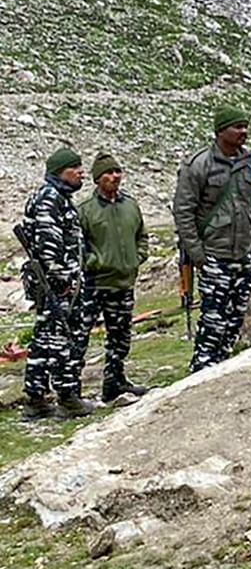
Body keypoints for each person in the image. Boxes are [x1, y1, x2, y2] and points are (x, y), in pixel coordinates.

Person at [173, 106, 251, 374]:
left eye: (245, 126)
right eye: (237, 127)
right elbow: (183, 211)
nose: (243, 132)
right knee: (213, 319)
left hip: (243, 255)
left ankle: (223, 367)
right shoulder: (198, 165)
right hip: (214, 255)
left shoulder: (248, 163)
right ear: (221, 131)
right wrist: (198, 254)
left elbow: (248, 206)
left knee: (235, 318)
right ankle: (202, 369)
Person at [19, 148, 90, 420]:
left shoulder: (58, 197)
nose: (81, 172)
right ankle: (67, 397)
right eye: (75, 168)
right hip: (57, 284)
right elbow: (49, 246)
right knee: (61, 337)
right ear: (60, 172)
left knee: (44, 336)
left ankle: (36, 398)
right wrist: (63, 279)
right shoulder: (50, 198)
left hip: (55, 282)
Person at [72, 153, 150, 403]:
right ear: (97, 179)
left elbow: (142, 235)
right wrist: (94, 263)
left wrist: (138, 256)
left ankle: (114, 382)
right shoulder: (85, 210)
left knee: (120, 336)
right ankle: (71, 390)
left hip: (124, 283)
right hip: (95, 285)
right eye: (109, 173)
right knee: (79, 336)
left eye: (117, 172)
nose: (115, 176)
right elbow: (76, 247)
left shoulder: (130, 205)